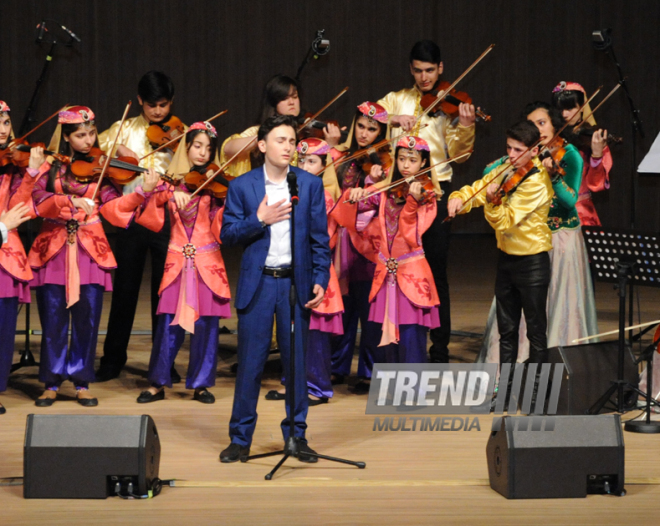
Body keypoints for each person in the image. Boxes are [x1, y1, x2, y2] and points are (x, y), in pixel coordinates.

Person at [23, 106, 158, 407]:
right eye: (81, 135)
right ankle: (51, 381)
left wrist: (141, 193)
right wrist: (67, 200)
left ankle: (82, 381)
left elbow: (112, 207)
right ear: (67, 138)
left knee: (87, 319)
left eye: (92, 133)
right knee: (54, 319)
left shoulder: (103, 169)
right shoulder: (51, 166)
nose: (88, 141)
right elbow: (35, 199)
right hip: (54, 247)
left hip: (89, 248)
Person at [219, 114, 330, 463]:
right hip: (260, 283)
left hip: (295, 286)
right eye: (280, 140)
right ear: (263, 145)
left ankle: (297, 437)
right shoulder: (243, 187)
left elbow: (319, 242)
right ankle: (240, 438)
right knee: (250, 365)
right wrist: (259, 220)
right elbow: (228, 234)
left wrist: (320, 278)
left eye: (291, 140)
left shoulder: (309, 186)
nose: (288, 146)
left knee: (295, 365)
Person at [378, 39, 476, 364]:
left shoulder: (448, 104)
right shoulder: (397, 99)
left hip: (435, 192)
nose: (424, 78)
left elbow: (460, 156)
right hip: (397, 195)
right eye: (418, 71)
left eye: (430, 71)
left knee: (435, 270)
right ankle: (396, 342)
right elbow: (368, 116)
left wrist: (465, 125)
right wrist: (392, 119)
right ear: (411, 69)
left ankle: (440, 347)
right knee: (393, 267)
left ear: (441, 69)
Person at [479, 102, 597, 363]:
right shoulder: (525, 157)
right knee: (518, 312)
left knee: (552, 311)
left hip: (561, 238)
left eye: (542, 123)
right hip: (526, 239)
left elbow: (569, 202)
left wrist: (554, 176)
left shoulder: (570, 155)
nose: (538, 129)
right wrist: (504, 165)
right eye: (533, 125)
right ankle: (513, 370)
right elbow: (489, 172)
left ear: (555, 126)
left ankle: (554, 369)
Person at [96, 71, 186, 383]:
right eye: (152, 106)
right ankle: (112, 360)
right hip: (132, 217)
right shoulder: (122, 128)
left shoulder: (179, 131)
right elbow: (96, 153)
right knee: (124, 290)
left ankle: (164, 362)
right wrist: (117, 150)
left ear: (171, 102)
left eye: (163, 105)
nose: (158, 111)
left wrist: (179, 151)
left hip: (165, 219)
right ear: (139, 102)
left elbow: (190, 171)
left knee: (165, 293)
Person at [447, 121, 553, 385]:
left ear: (534, 150)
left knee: (536, 333)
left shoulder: (538, 182)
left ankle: (537, 393)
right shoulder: (507, 168)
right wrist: (459, 198)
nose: (512, 155)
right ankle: (505, 389)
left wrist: (492, 204)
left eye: (519, 150)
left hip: (532, 263)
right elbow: (480, 188)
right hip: (507, 260)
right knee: (507, 331)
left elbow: (506, 219)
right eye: (509, 148)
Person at [135, 122, 231, 404]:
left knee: (207, 325)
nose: (202, 153)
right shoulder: (168, 182)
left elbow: (224, 225)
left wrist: (224, 198)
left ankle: (201, 383)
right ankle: (157, 382)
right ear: (186, 147)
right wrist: (161, 192)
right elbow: (149, 218)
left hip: (208, 259)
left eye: (208, 148)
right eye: (197, 146)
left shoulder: (215, 183)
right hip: (177, 259)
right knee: (167, 322)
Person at [334, 136, 440, 363]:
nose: (405, 165)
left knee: (411, 338)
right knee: (387, 341)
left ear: (423, 163)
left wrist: (412, 202)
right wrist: (356, 193)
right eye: (401, 159)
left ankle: (413, 393)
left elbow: (411, 235)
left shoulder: (428, 196)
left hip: (411, 273)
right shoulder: (387, 191)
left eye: (412, 160)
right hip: (385, 274)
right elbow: (354, 212)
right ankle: (392, 391)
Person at [265, 137, 343, 405]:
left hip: (314, 269)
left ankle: (318, 387)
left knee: (316, 335)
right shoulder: (293, 189)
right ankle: (294, 384)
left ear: (324, 166)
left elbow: (324, 238)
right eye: (302, 161)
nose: (305, 166)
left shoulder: (326, 194)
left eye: (312, 161)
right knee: (294, 330)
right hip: (292, 268)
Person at [328, 102, 389, 391]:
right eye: (361, 126)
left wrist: (375, 182)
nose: (364, 133)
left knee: (368, 307)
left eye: (372, 128)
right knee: (343, 305)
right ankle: (336, 365)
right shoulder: (340, 155)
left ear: (382, 131)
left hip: (367, 242)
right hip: (339, 237)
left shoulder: (385, 164)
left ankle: (368, 370)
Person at [220, 74, 341, 178]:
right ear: (274, 103)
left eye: (295, 97)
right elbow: (228, 148)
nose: (292, 102)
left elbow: (323, 174)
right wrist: (267, 135)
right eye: (285, 98)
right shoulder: (259, 130)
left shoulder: (308, 132)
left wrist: (331, 146)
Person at [0, 101, 35, 414]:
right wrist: (2, 226)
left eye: (6, 123)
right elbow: (7, 219)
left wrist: (33, 172)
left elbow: (20, 206)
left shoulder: (11, 166)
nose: (2, 130)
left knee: (4, 330)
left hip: (6, 260)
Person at [552, 81, 613, 226]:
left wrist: (597, 155)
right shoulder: (550, 136)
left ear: (582, 108)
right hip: (549, 212)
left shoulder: (591, 139)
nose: (564, 114)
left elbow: (596, 184)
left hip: (580, 213)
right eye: (559, 109)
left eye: (570, 108)